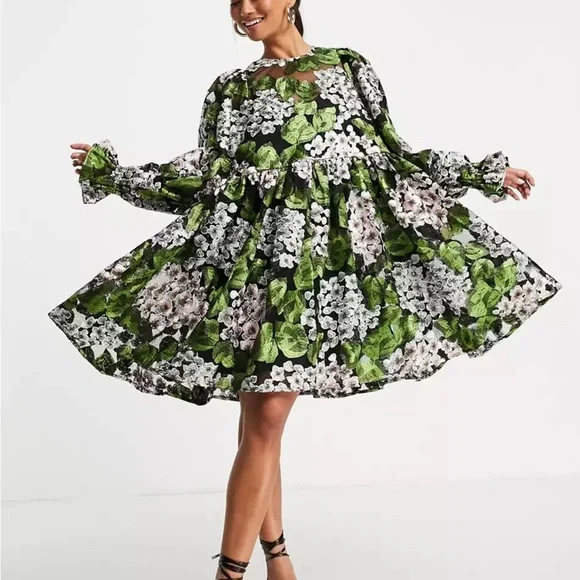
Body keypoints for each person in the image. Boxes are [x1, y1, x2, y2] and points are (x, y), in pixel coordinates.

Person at [49, 1, 562, 578]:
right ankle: (269, 562)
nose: (245, 9)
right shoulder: (231, 90)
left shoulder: (348, 67)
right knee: (262, 420)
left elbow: (394, 155)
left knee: (264, 418)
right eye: (235, 0)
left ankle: (252, 567)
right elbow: (205, 176)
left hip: (325, 272)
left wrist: (480, 174)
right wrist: (115, 175)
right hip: (256, 268)